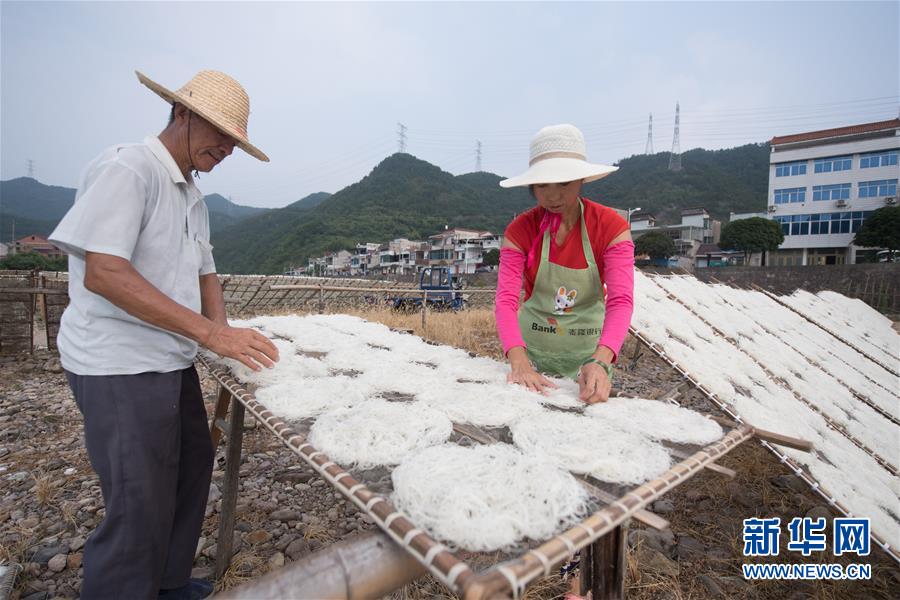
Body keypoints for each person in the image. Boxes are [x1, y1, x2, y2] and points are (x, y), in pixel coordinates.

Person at [49, 70, 280, 600]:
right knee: (139, 498)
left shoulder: (190, 192)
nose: (225, 148)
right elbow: (103, 272)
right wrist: (210, 335)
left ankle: (168, 584)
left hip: (166, 356)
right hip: (118, 363)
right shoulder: (129, 168)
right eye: (219, 133)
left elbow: (205, 271)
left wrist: (221, 333)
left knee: (190, 466)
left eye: (234, 141)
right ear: (182, 114)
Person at [495, 124, 635, 405]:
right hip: (530, 354)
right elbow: (506, 300)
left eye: (564, 183)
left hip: (588, 356)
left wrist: (601, 360)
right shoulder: (520, 230)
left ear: (581, 180)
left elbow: (621, 300)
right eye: (542, 184)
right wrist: (518, 359)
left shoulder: (610, 227)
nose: (553, 195)